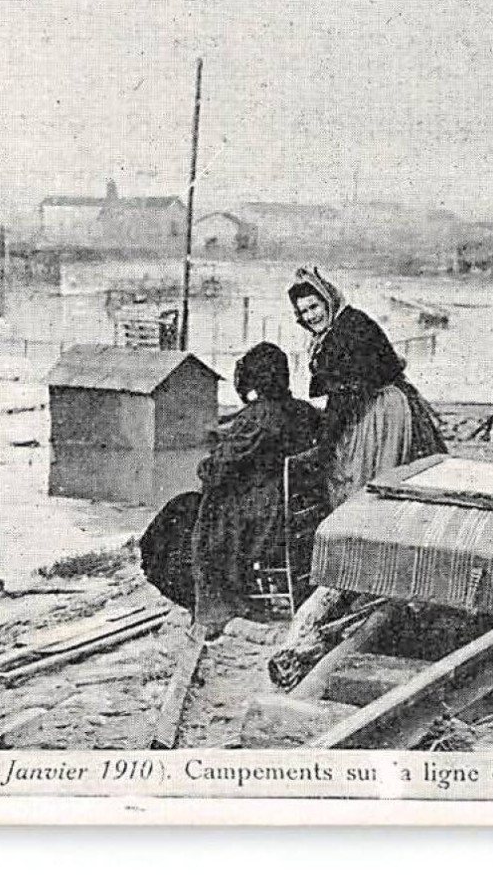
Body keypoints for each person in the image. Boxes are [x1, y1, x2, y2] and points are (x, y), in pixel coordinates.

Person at [187, 342, 322, 636]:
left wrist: (207, 464)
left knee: (202, 514)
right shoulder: (302, 410)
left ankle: (219, 609)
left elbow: (218, 468)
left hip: (265, 512)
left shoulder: (258, 416)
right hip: (294, 508)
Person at [288, 267, 445, 508]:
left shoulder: (347, 331)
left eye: (314, 307)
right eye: (303, 311)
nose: (310, 316)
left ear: (328, 301)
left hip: (379, 410)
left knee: (361, 476)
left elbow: (344, 395)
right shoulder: (340, 325)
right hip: (374, 402)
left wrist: (325, 444)